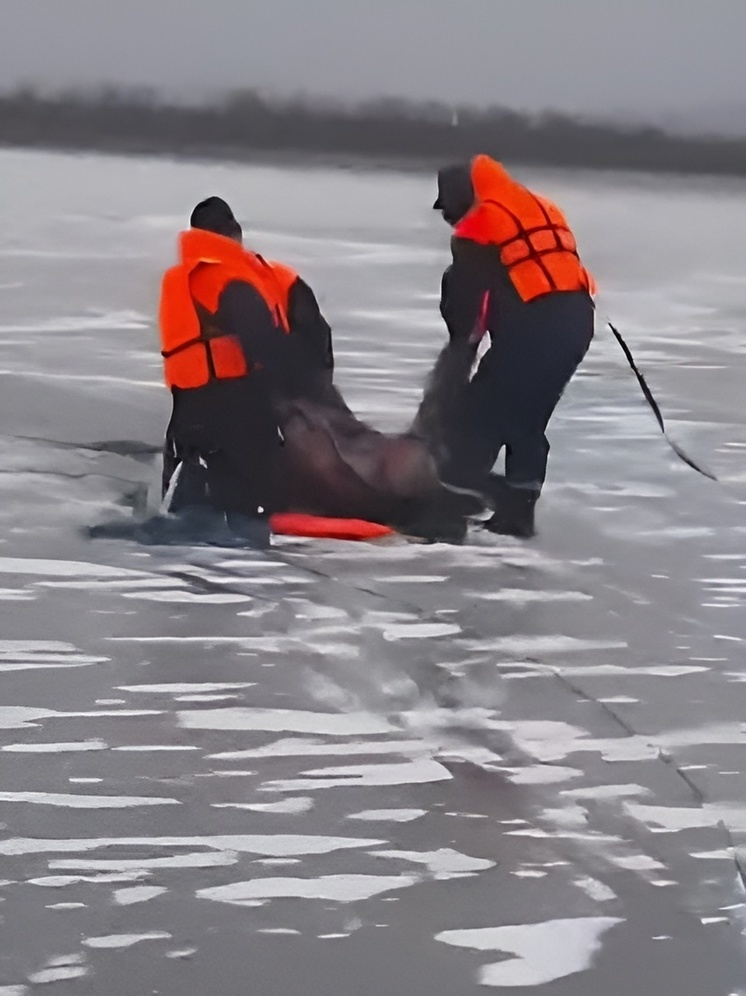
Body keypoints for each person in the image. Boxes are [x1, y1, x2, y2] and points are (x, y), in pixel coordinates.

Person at [430, 154, 596, 538]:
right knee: (526, 419)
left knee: (475, 415)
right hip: (575, 323)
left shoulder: (479, 223)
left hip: (536, 327)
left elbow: (465, 301)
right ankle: (517, 513)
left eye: (448, 208)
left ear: (461, 197)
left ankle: (452, 506)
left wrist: (458, 353)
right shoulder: (536, 204)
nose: (448, 218)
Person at [159, 196, 334, 536]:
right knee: (255, 517)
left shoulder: (184, 278)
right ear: (236, 234)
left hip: (189, 417)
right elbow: (315, 342)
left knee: (183, 513)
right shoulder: (276, 278)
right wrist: (309, 404)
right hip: (248, 413)